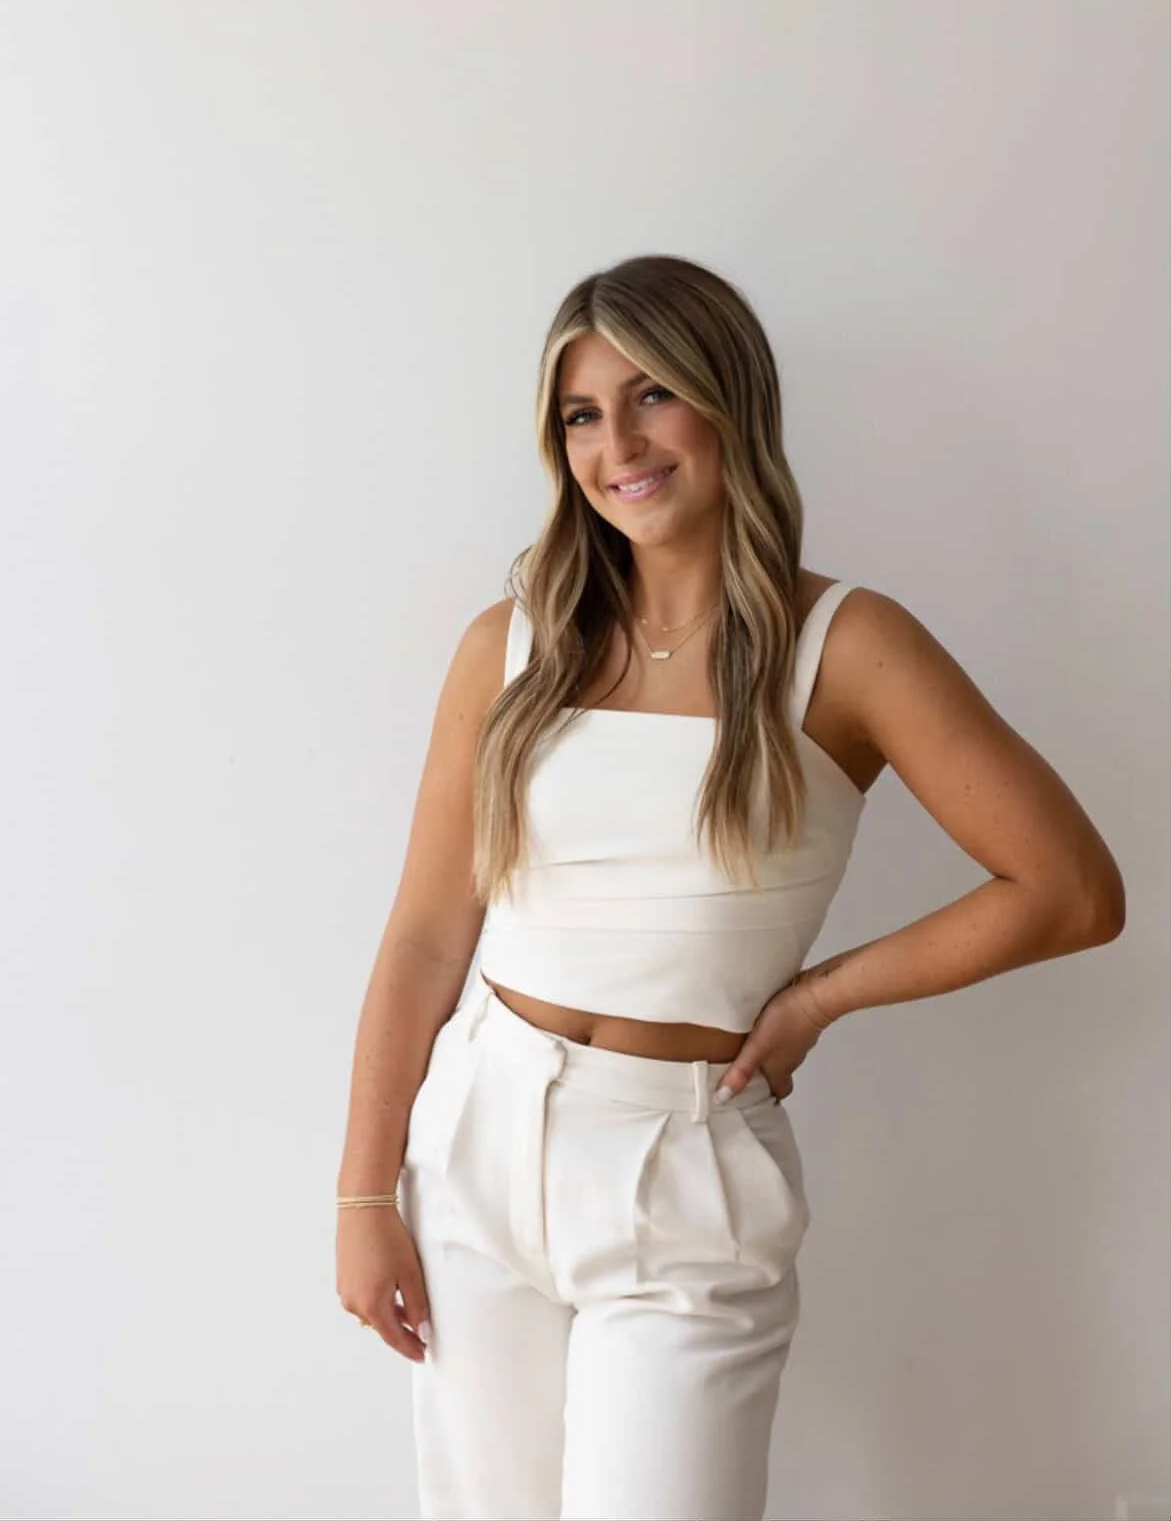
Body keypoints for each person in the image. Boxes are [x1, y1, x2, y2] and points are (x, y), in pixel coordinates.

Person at [335, 253, 1125, 1521]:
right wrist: (365, 1193)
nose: (619, 444)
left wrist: (820, 997)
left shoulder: (849, 646)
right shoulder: (514, 643)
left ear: (730, 402)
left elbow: (1070, 887)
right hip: (475, 1145)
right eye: (583, 415)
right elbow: (430, 933)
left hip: (684, 1161)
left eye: (653, 396)